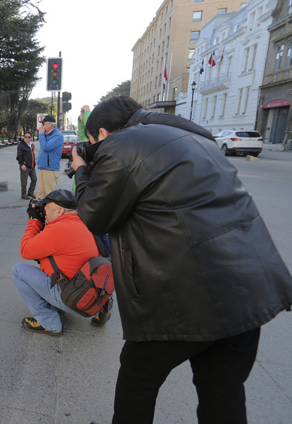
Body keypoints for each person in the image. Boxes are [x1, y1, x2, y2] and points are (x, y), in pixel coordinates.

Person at [70, 96, 292, 424]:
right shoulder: (196, 137)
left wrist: (81, 170)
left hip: (187, 295)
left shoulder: (122, 144)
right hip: (249, 287)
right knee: (223, 389)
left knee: (138, 380)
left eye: (92, 144)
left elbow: (93, 215)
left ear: (103, 133)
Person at [11, 189, 114, 336]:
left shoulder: (58, 230)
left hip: (74, 299)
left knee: (18, 271)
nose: (43, 210)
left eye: (46, 207)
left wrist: (34, 221)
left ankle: (50, 323)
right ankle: (103, 304)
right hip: (95, 292)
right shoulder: (84, 221)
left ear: (60, 210)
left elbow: (25, 250)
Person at [36, 115, 63, 199]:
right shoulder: (47, 135)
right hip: (43, 167)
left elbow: (46, 147)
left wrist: (41, 135)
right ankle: (40, 210)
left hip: (50, 168)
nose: (41, 126)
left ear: (49, 124)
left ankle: (52, 211)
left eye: (43, 124)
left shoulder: (57, 135)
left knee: (50, 193)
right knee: (41, 192)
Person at [16, 131, 37, 200]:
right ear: (24, 137)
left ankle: (30, 192)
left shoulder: (32, 145)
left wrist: (34, 163)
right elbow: (19, 156)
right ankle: (23, 194)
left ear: (31, 138)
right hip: (25, 166)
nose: (27, 138)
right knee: (24, 181)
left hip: (32, 166)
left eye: (29, 137)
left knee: (34, 179)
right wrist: (22, 164)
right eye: (25, 137)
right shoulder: (21, 146)